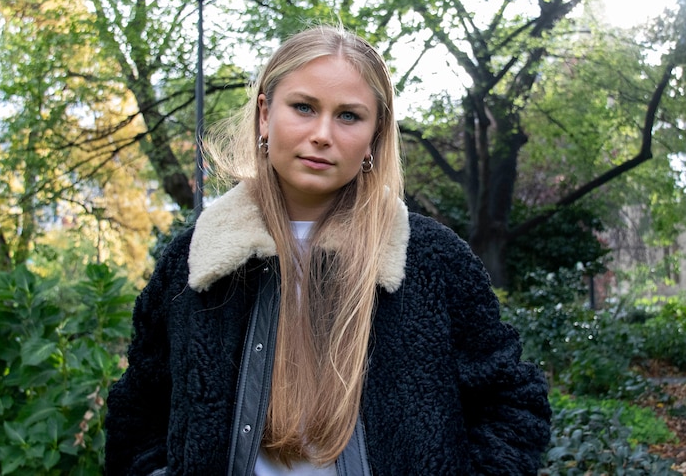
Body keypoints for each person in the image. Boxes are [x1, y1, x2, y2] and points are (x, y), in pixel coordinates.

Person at [104, 25, 551, 475]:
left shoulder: (431, 260)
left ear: (375, 134)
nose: (322, 134)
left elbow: (511, 404)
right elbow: (138, 412)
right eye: (303, 107)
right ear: (264, 114)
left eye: (349, 116)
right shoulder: (195, 261)